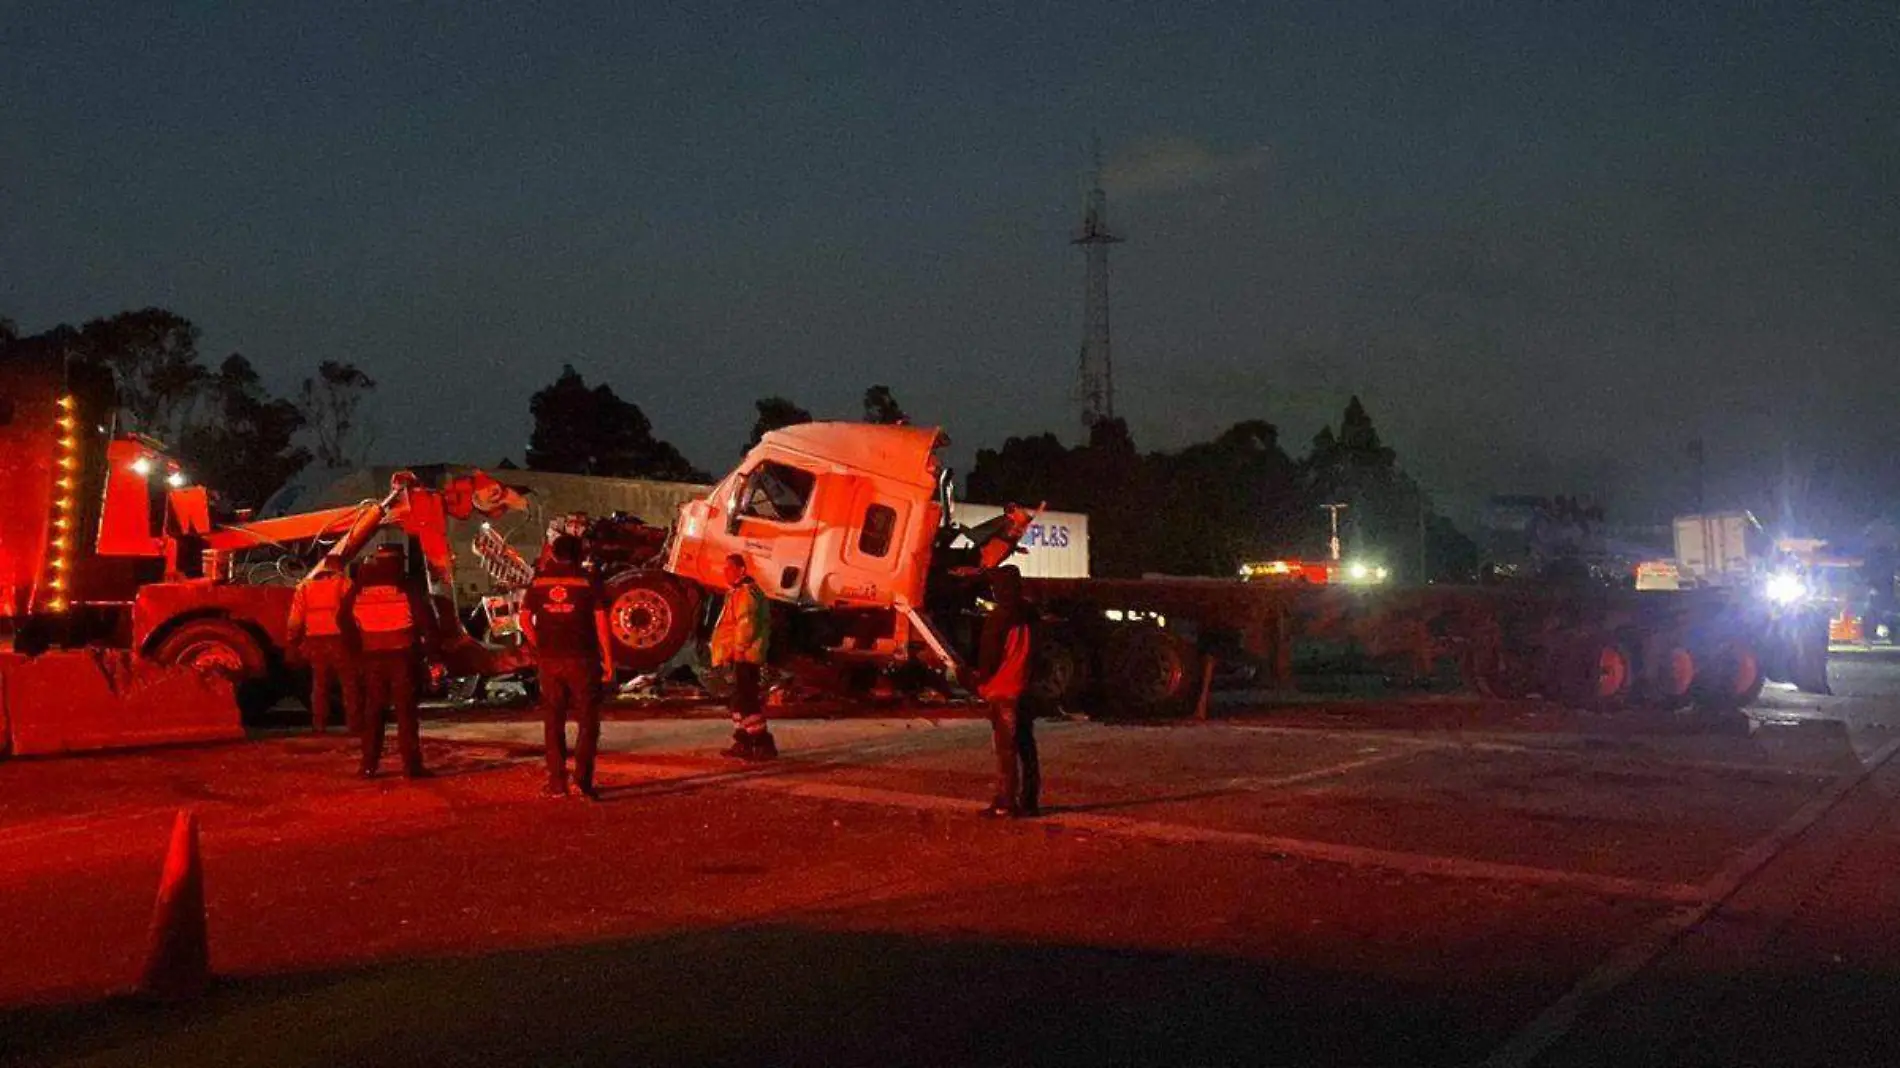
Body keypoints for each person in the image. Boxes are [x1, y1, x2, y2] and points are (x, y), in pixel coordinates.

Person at [519, 535, 615, 799]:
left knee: (553, 720)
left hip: (550, 661)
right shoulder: (588, 582)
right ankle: (582, 782)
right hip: (582, 660)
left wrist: (540, 645)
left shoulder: (539, 581)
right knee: (587, 721)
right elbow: (601, 623)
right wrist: (607, 659)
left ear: (553, 553)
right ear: (578, 553)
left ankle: (557, 782)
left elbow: (524, 618)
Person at [340, 544, 434, 779]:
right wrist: (432, 653)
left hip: (372, 657)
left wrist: (358, 648)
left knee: (373, 713)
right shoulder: (406, 586)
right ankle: (412, 767)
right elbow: (426, 621)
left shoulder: (359, 588)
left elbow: (343, 619)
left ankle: (368, 765)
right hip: (402, 657)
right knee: (406, 714)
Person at [975, 565, 1039, 818]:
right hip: (1025, 688)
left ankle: (1005, 802)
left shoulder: (999, 618)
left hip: (1003, 690)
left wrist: (976, 680)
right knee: (1026, 747)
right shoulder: (1031, 614)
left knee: (1005, 751)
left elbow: (989, 658)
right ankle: (1030, 801)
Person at [711, 553, 775, 761]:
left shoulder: (745, 593)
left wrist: (738, 649)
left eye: (729, 569)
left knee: (745, 700)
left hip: (745, 656)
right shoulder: (739, 592)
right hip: (740, 655)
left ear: (741, 571)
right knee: (738, 701)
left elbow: (746, 623)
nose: (725, 573)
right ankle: (744, 741)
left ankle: (762, 743)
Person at [285, 554, 358, 735]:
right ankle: (354, 724)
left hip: (315, 640)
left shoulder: (305, 587)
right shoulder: (344, 584)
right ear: (339, 567)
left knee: (319, 685)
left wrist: (292, 641)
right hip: (339, 640)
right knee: (349, 685)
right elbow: (356, 613)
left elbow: (295, 620)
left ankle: (319, 725)